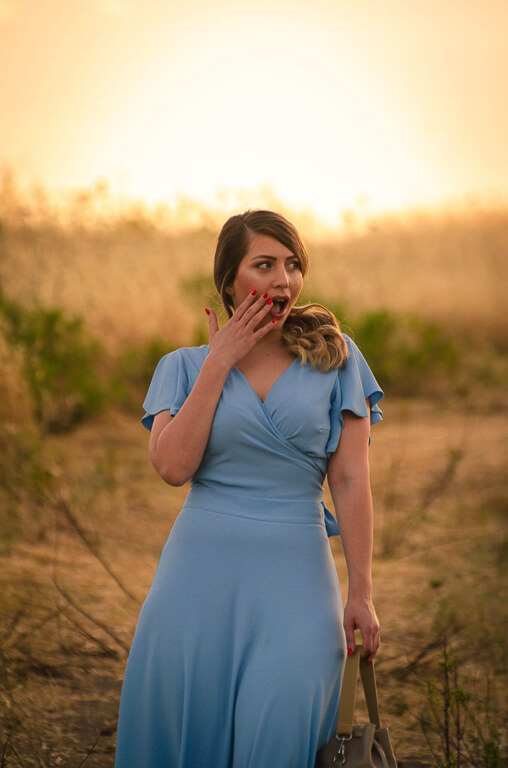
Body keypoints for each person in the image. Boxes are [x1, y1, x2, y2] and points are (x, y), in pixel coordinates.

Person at [114, 209, 384, 768]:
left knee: (281, 725)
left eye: (292, 265)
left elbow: (352, 481)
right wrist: (220, 362)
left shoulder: (337, 360)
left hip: (298, 578)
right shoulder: (182, 367)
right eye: (264, 265)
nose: (283, 280)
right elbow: (172, 466)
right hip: (195, 582)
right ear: (230, 281)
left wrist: (361, 592)